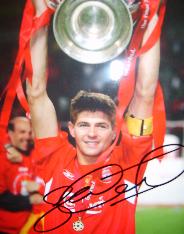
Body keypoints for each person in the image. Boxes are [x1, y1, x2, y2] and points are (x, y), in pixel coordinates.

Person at [26, 0, 162, 233]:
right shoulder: (55, 158)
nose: (91, 133)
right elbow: (36, 91)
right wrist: (41, 15)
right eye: (84, 125)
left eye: (101, 126)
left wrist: (151, 18)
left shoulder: (128, 165)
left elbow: (145, 93)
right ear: (71, 128)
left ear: (113, 132)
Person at [0, 116, 44, 233]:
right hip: (6, 229)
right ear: (10, 133)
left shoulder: (32, 154)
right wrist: (30, 200)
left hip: (30, 226)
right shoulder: (3, 159)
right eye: (22, 132)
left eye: (29, 132)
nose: (27, 136)